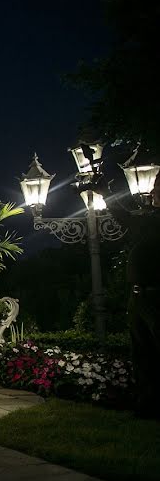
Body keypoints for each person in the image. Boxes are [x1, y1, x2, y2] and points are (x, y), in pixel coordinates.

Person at [94, 163, 160, 418]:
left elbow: (125, 217)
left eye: (157, 188)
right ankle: (147, 405)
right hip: (140, 295)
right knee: (143, 353)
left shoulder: (154, 221)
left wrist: (104, 192)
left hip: (155, 295)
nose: (152, 192)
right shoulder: (151, 219)